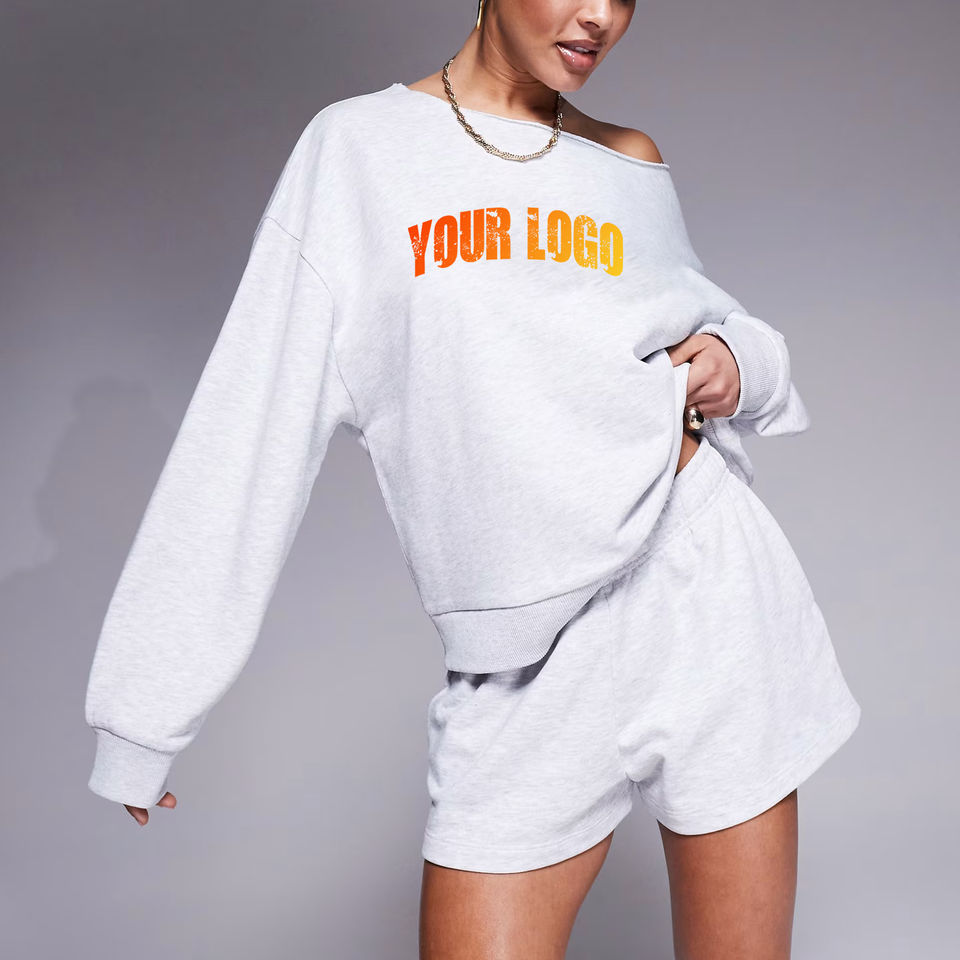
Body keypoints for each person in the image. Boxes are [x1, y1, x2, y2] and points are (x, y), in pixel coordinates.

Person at [83, 2, 862, 957]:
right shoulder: (358, 152)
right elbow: (247, 427)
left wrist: (743, 363)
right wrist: (143, 714)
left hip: (706, 594)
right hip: (520, 665)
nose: (600, 17)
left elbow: (710, 326)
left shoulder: (627, 159)